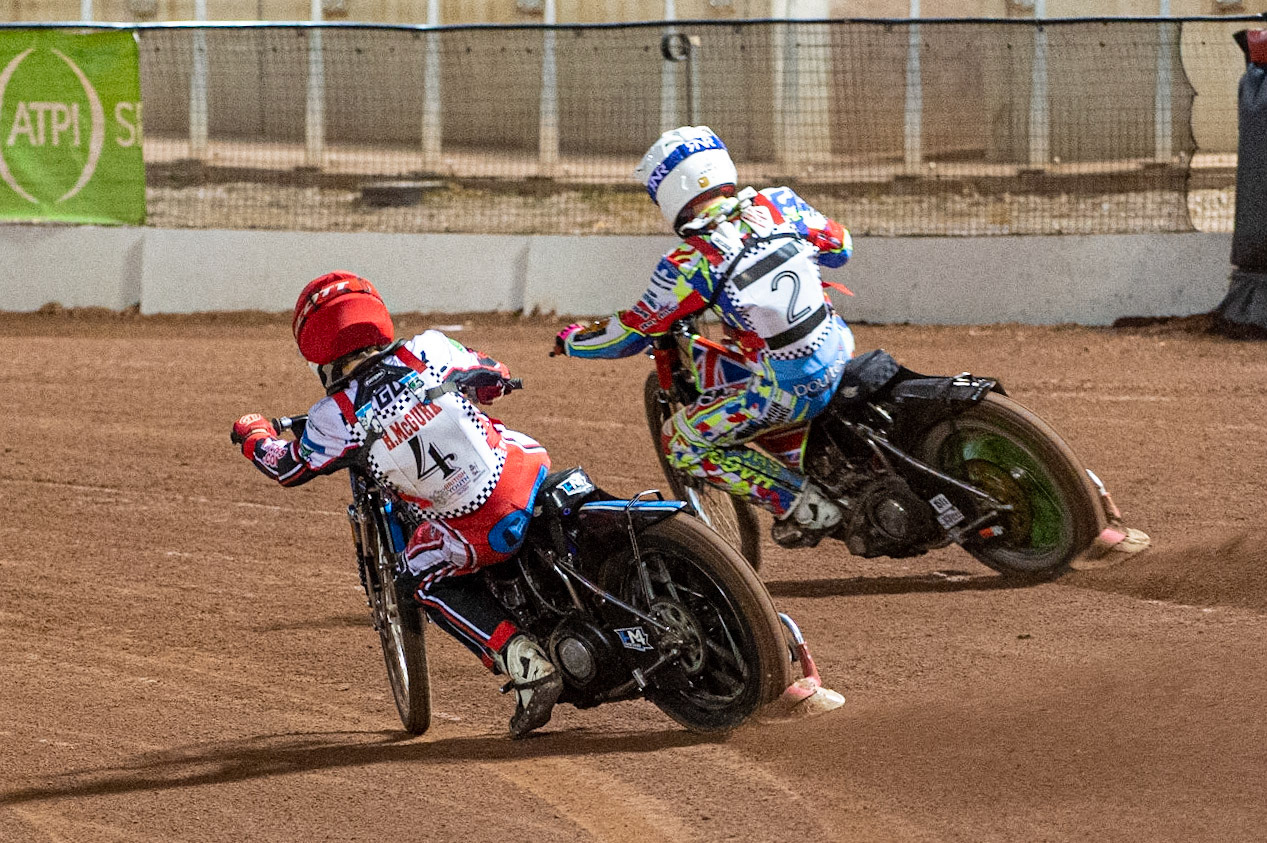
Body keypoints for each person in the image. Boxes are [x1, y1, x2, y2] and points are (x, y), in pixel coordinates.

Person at [231, 271, 563, 738]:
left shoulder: (334, 417)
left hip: (475, 528)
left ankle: (525, 664)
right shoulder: (429, 348)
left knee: (417, 576)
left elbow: (288, 467)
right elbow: (495, 378)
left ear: (319, 353)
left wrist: (253, 436)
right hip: (524, 471)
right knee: (514, 445)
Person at [552, 126, 855, 549]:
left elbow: (632, 333)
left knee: (681, 441)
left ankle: (804, 505)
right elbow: (841, 248)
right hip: (841, 344)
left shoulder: (691, 261)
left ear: (671, 191)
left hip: (792, 389)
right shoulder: (780, 202)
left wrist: (572, 340)